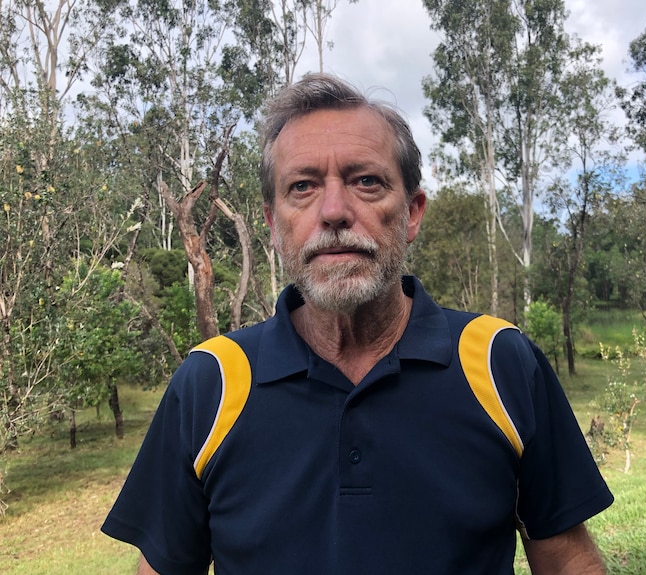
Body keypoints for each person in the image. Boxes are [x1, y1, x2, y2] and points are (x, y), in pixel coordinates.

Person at [102, 73, 614, 575]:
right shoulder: (210, 383)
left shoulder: (500, 363)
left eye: (365, 181)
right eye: (302, 186)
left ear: (412, 214)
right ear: (274, 226)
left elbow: (568, 558)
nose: (333, 212)